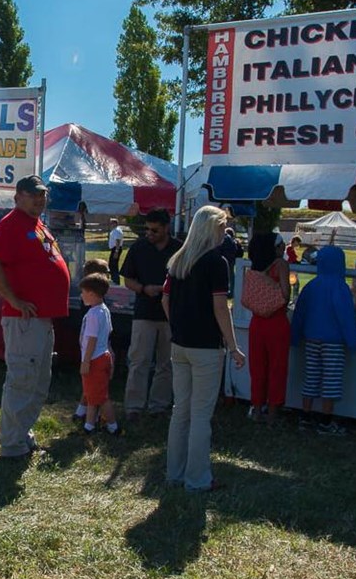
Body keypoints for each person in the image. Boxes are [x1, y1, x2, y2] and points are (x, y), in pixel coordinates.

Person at [0, 175, 71, 460]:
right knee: (22, 379)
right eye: (33, 195)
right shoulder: (11, 224)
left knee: (37, 380)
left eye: (42, 195)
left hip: (42, 318)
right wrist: (13, 299)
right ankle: (11, 445)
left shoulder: (37, 224)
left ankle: (22, 434)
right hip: (24, 319)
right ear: (18, 196)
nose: (39, 199)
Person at [161, 206, 246, 492]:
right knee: (200, 416)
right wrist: (233, 346)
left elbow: (165, 299)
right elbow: (221, 308)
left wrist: (178, 324)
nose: (225, 233)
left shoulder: (178, 260)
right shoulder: (215, 262)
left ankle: (175, 473)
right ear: (213, 228)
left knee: (180, 411)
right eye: (223, 227)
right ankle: (197, 479)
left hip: (180, 343)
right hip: (206, 347)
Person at [290, 245, 356, 435]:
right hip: (333, 341)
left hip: (311, 338)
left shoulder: (311, 285)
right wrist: (352, 341)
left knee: (311, 376)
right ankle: (326, 422)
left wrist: (295, 337)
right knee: (331, 380)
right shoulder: (340, 287)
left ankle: (305, 417)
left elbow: (299, 313)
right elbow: (346, 317)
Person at [121, 207, 182, 421]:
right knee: (139, 361)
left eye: (154, 230)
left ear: (166, 228)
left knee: (166, 363)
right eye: (147, 229)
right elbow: (127, 279)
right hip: (144, 313)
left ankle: (159, 405)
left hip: (170, 316)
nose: (149, 234)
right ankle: (134, 406)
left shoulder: (179, 250)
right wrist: (143, 289)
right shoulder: (138, 248)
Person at [245, 233, 292, 425]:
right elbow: (285, 295)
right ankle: (273, 413)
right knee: (277, 368)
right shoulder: (280, 265)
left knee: (257, 368)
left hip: (257, 323)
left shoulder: (254, 266)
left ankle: (256, 408)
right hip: (277, 322)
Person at [77, 273, 119, 436]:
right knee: (94, 394)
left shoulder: (94, 314)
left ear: (92, 294)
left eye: (83, 292)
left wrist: (85, 361)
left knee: (100, 397)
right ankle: (89, 425)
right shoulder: (104, 310)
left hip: (94, 359)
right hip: (104, 356)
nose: (81, 295)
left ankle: (112, 427)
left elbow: (92, 339)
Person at [218, 227, 244, 296]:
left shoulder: (224, 238)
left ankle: (230, 291)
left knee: (228, 276)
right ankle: (232, 290)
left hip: (227, 258)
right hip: (232, 259)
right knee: (232, 275)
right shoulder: (233, 241)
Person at [107, 217, 125, 284]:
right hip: (114, 249)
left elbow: (117, 241)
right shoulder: (115, 230)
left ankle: (116, 281)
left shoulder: (117, 231)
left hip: (116, 249)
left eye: (111, 223)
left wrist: (116, 251)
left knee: (113, 265)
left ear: (115, 223)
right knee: (111, 265)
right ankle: (114, 280)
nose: (110, 224)